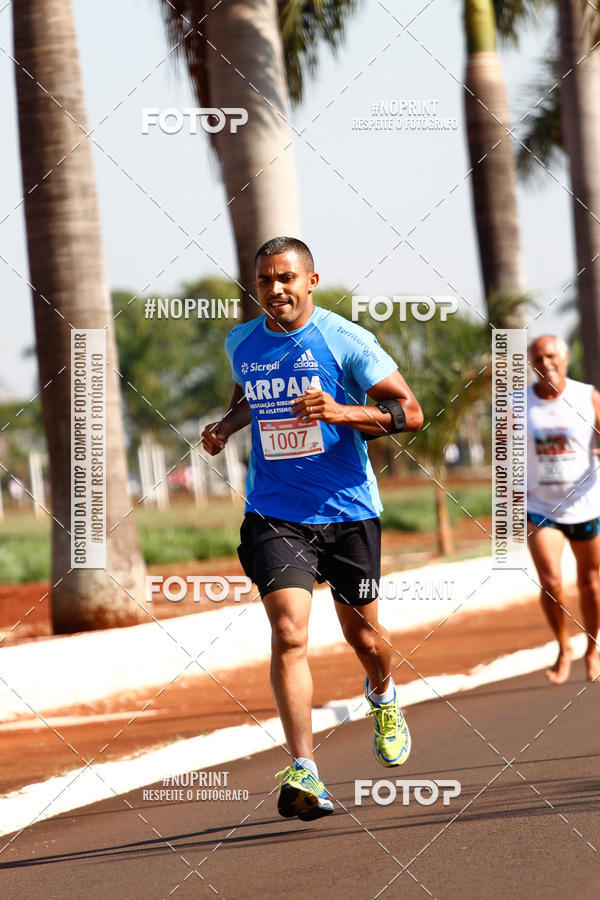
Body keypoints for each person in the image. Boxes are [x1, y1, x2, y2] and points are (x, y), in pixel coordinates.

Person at [202, 236, 423, 821]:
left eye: (286, 278)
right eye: (265, 281)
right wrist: (226, 427)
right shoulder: (241, 342)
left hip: (348, 510)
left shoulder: (346, 339)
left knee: (365, 640)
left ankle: (383, 693)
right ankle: (305, 769)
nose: (275, 290)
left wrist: (341, 412)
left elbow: (411, 412)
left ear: (310, 280)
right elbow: (250, 396)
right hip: (276, 511)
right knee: (290, 633)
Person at [527, 335, 600, 684]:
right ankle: (562, 644)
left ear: (565, 358)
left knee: (591, 584)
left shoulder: (587, 396)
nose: (546, 363)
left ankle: (592, 647)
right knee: (551, 579)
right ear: (531, 364)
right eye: (538, 358)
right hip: (541, 506)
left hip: (586, 503)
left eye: (551, 356)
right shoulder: (517, 404)